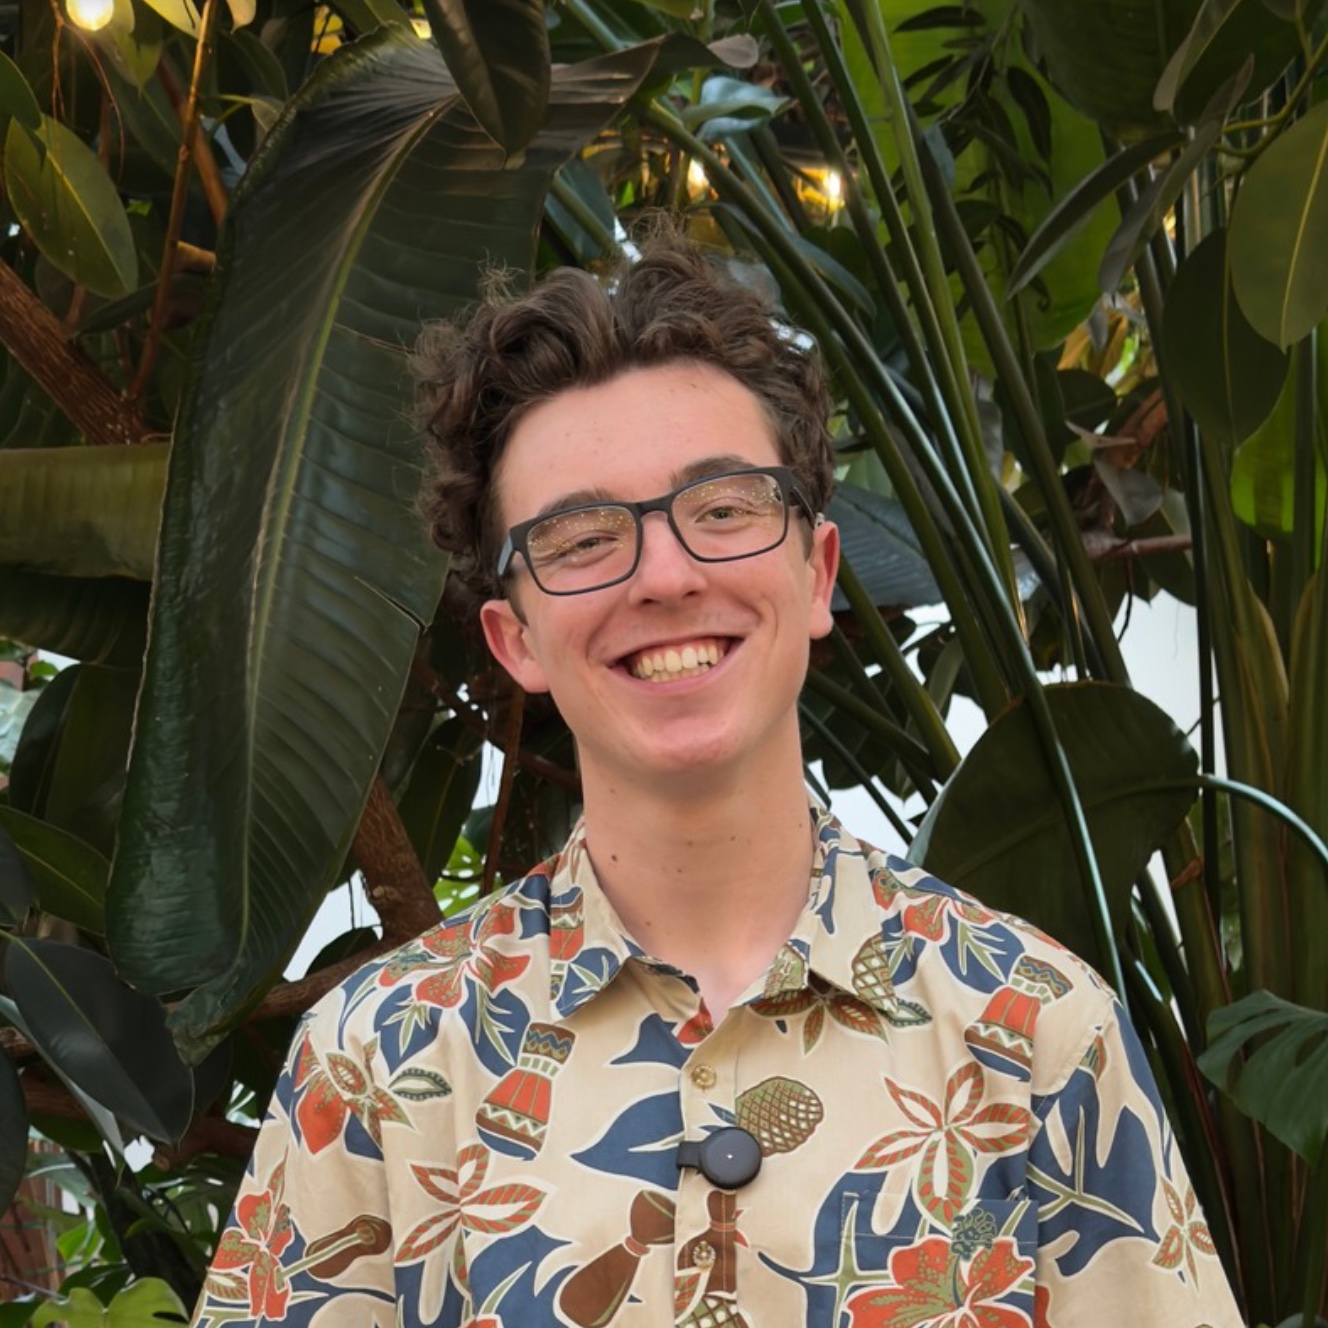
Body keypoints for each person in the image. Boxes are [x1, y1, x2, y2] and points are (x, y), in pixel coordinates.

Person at [191, 234, 1243, 1328]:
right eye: (581, 536)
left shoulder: (1031, 1031)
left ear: (817, 569)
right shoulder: (379, 1061)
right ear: (513, 640)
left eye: (724, 507)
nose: (665, 573)